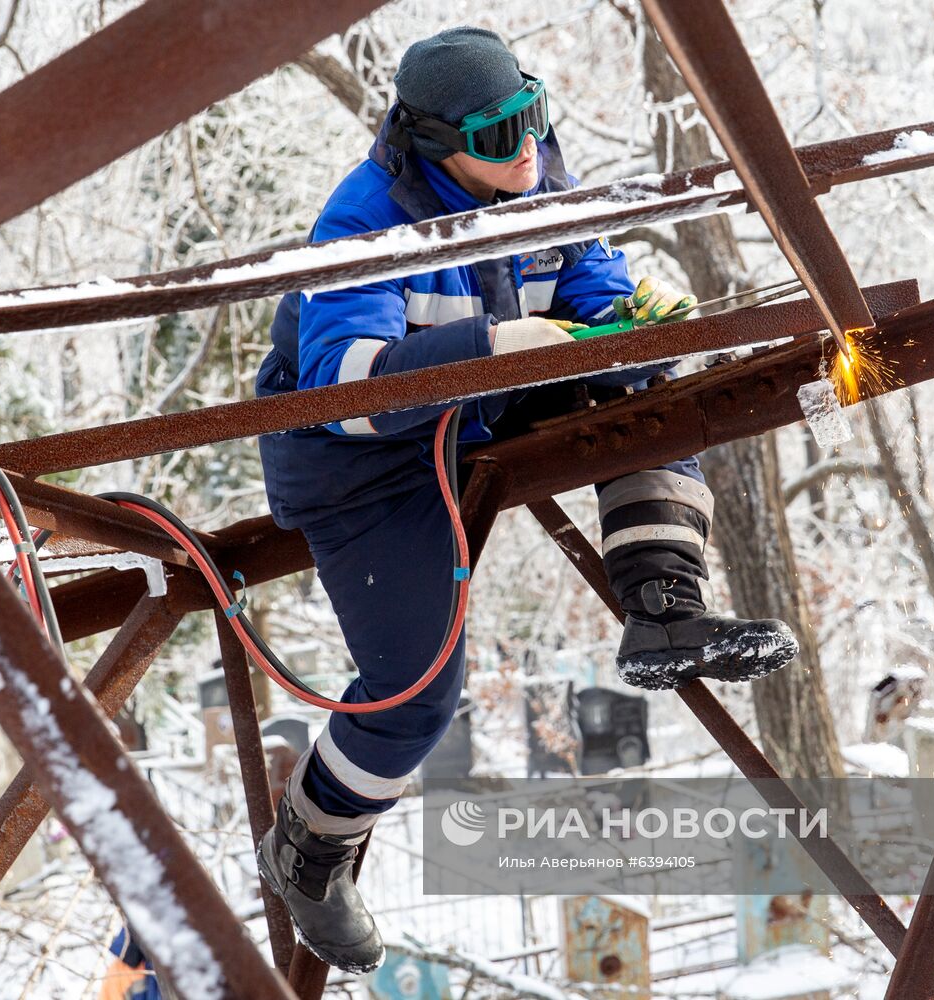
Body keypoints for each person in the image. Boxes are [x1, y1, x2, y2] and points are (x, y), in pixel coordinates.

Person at [253, 26, 798, 972]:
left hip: (483, 410)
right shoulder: (367, 223)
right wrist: (494, 349)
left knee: (647, 401)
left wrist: (636, 332)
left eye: (536, 119)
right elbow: (341, 386)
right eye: (503, 137)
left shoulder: (544, 185)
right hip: (364, 464)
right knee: (417, 693)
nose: (533, 152)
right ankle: (312, 846)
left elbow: (595, 291)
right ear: (434, 143)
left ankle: (664, 604)